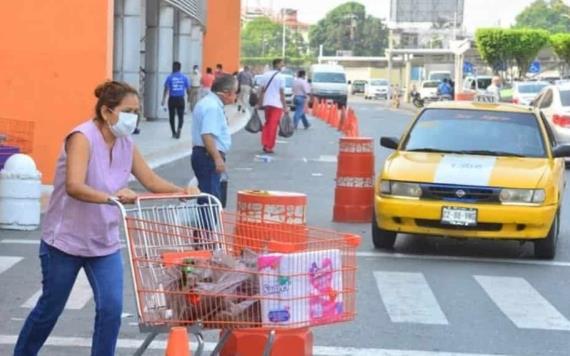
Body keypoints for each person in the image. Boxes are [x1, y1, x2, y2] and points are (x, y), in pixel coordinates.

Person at [13, 81, 199, 356]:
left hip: (104, 241)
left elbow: (148, 179)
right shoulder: (81, 138)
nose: (133, 117)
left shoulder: (126, 142)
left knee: (111, 308)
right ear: (106, 112)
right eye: (128, 110)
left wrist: (181, 191)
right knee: (50, 308)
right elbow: (74, 185)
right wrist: (112, 198)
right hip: (65, 241)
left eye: (136, 111)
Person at [191, 74, 236, 200]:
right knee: (210, 199)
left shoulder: (207, 103)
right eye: (234, 92)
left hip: (204, 154)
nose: (235, 95)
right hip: (208, 156)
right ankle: (209, 220)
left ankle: (208, 219)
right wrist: (217, 158)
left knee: (208, 194)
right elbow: (207, 135)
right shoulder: (212, 107)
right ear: (226, 93)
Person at [258, 58, 288, 154]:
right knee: (273, 126)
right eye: (282, 64)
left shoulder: (265, 75)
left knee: (267, 123)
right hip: (277, 104)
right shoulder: (281, 77)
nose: (283, 66)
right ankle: (269, 146)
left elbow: (261, 90)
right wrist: (285, 106)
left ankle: (265, 143)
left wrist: (259, 103)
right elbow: (282, 93)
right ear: (277, 64)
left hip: (267, 103)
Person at [162, 61, 190, 139]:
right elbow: (188, 89)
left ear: (174, 67)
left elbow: (166, 88)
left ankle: (174, 132)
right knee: (181, 116)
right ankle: (179, 129)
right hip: (181, 98)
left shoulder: (170, 77)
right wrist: (188, 99)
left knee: (171, 116)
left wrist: (163, 99)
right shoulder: (184, 77)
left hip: (172, 99)